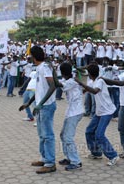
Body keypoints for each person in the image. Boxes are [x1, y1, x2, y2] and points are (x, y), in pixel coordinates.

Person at [19, 46, 57, 174]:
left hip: (47, 106)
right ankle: (44, 158)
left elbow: (53, 86)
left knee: (48, 135)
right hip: (41, 105)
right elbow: (41, 90)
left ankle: (50, 163)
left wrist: (40, 104)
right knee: (42, 135)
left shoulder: (45, 67)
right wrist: (28, 103)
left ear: (33, 57)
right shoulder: (39, 68)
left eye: (30, 55)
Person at [75, 64, 119, 166]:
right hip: (99, 112)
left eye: (87, 73)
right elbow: (85, 90)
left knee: (99, 135)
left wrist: (81, 83)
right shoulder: (92, 81)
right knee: (89, 131)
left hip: (107, 111)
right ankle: (96, 153)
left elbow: (95, 91)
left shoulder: (100, 81)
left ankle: (113, 155)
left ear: (90, 74)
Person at [49, 62, 84, 170]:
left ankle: (76, 161)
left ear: (63, 72)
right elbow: (59, 82)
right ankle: (68, 158)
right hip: (71, 112)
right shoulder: (68, 79)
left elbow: (58, 84)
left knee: (68, 137)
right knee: (63, 135)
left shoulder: (71, 82)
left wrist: (52, 71)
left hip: (75, 112)